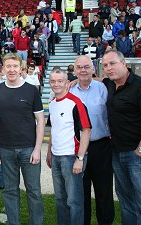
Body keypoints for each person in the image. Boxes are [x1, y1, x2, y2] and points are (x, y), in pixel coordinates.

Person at [101, 50, 141, 225]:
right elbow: (97, 80)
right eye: (105, 65)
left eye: (112, 63)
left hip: (140, 154)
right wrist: (75, 80)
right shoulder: (110, 84)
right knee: (126, 202)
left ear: (124, 64)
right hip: (118, 152)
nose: (108, 68)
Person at [0, 53, 45, 225]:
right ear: (3, 69)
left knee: (33, 191)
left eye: (15, 66)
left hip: (29, 149)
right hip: (5, 148)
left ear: (21, 69)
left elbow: (40, 120)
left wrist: (37, 149)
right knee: (10, 191)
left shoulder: (31, 90)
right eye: (8, 66)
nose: (11, 70)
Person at [70, 56, 114, 225]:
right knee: (81, 193)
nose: (83, 70)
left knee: (104, 191)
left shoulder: (103, 88)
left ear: (94, 69)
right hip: (77, 149)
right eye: (79, 67)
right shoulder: (69, 90)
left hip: (101, 147)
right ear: (74, 70)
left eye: (87, 67)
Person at [46, 68, 92, 225]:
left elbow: (86, 130)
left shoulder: (76, 103)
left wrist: (80, 158)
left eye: (60, 81)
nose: (56, 84)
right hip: (56, 156)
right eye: (53, 81)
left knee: (74, 200)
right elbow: (54, 129)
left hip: (71, 157)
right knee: (60, 199)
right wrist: (49, 152)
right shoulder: (52, 104)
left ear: (67, 83)